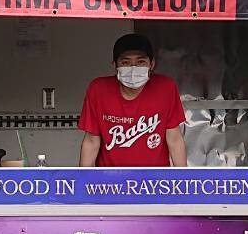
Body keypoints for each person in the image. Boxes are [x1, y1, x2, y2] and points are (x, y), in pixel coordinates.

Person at [78, 33, 187, 168]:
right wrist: (82, 178)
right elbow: (91, 141)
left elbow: (174, 139)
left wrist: (183, 178)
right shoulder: (98, 89)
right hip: (110, 178)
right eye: (126, 62)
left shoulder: (166, 88)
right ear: (115, 65)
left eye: (140, 62)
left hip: (155, 178)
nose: (133, 68)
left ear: (152, 64)